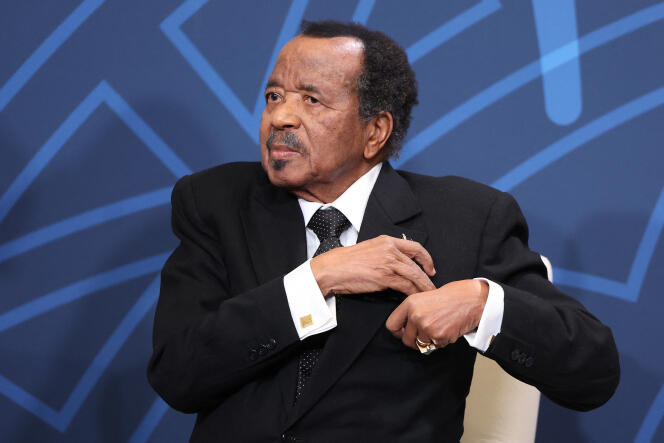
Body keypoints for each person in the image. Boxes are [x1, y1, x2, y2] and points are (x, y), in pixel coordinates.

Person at [148, 20, 619, 442]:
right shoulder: (215, 201)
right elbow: (178, 374)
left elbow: (592, 372)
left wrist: (481, 304)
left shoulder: (466, 218)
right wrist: (318, 278)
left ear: (375, 131)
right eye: (274, 96)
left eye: (311, 99)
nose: (280, 117)